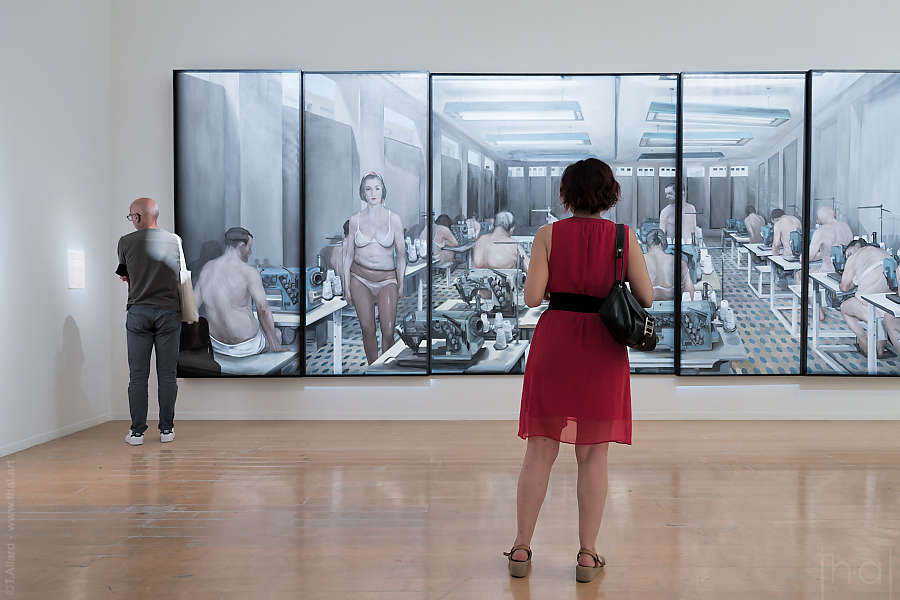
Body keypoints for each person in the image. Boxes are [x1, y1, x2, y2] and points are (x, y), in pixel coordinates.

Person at [505, 159, 653, 583]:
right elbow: (644, 295)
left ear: (565, 193)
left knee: (539, 450)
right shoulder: (624, 238)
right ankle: (587, 555)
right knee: (592, 454)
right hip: (603, 350)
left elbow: (533, 297)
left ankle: (520, 548)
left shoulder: (547, 235)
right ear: (610, 194)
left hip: (556, 344)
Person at [116, 197, 182, 446]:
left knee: (138, 375)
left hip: (139, 312)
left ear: (139, 217)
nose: (131, 220)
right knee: (167, 375)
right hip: (169, 312)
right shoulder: (175, 241)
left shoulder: (125, 242)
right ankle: (166, 430)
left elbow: (125, 275)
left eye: (132, 216)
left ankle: (137, 432)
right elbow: (178, 274)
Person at [344, 171, 406, 364]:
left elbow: (402, 255)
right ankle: (373, 368)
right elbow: (347, 257)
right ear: (363, 193)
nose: (373, 193)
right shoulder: (355, 220)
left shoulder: (394, 219)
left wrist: (400, 283)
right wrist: (346, 286)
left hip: (387, 279)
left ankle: (386, 367)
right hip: (360, 279)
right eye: (368, 189)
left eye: (377, 188)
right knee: (368, 329)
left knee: (388, 330)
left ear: (383, 191)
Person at [193, 227, 284, 357]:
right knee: (279, 334)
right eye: (249, 247)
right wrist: (274, 343)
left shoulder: (207, 269)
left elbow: (193, 308)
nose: (250, 252)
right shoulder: (249, 272)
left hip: (217, 344)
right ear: (241, 246)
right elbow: (262, 308)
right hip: (246, 346)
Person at [839, 239, 900, 357]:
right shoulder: (882, 252)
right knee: (880, 313)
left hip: (868, 303)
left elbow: (844, 287)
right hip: (886, 303)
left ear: (853, 248)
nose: (847, 257)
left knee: (844, 307)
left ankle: (864, 341)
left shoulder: (854, 256)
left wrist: (849, 279)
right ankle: (880, 349)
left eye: (847, 254)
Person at [808, 206, 854, 321]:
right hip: (847, 275)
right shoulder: (846, 227)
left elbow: (808, 257)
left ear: (819, 219)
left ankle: (818, 311)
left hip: (828, 273)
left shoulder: (821, 231)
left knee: (801, 275)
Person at [643, 229, 695, 301]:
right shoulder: (679, 262)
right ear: (665, 244)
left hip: (645, 307)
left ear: (647, 245)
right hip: (672, 307)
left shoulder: (639, 261)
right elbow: (690, 292)